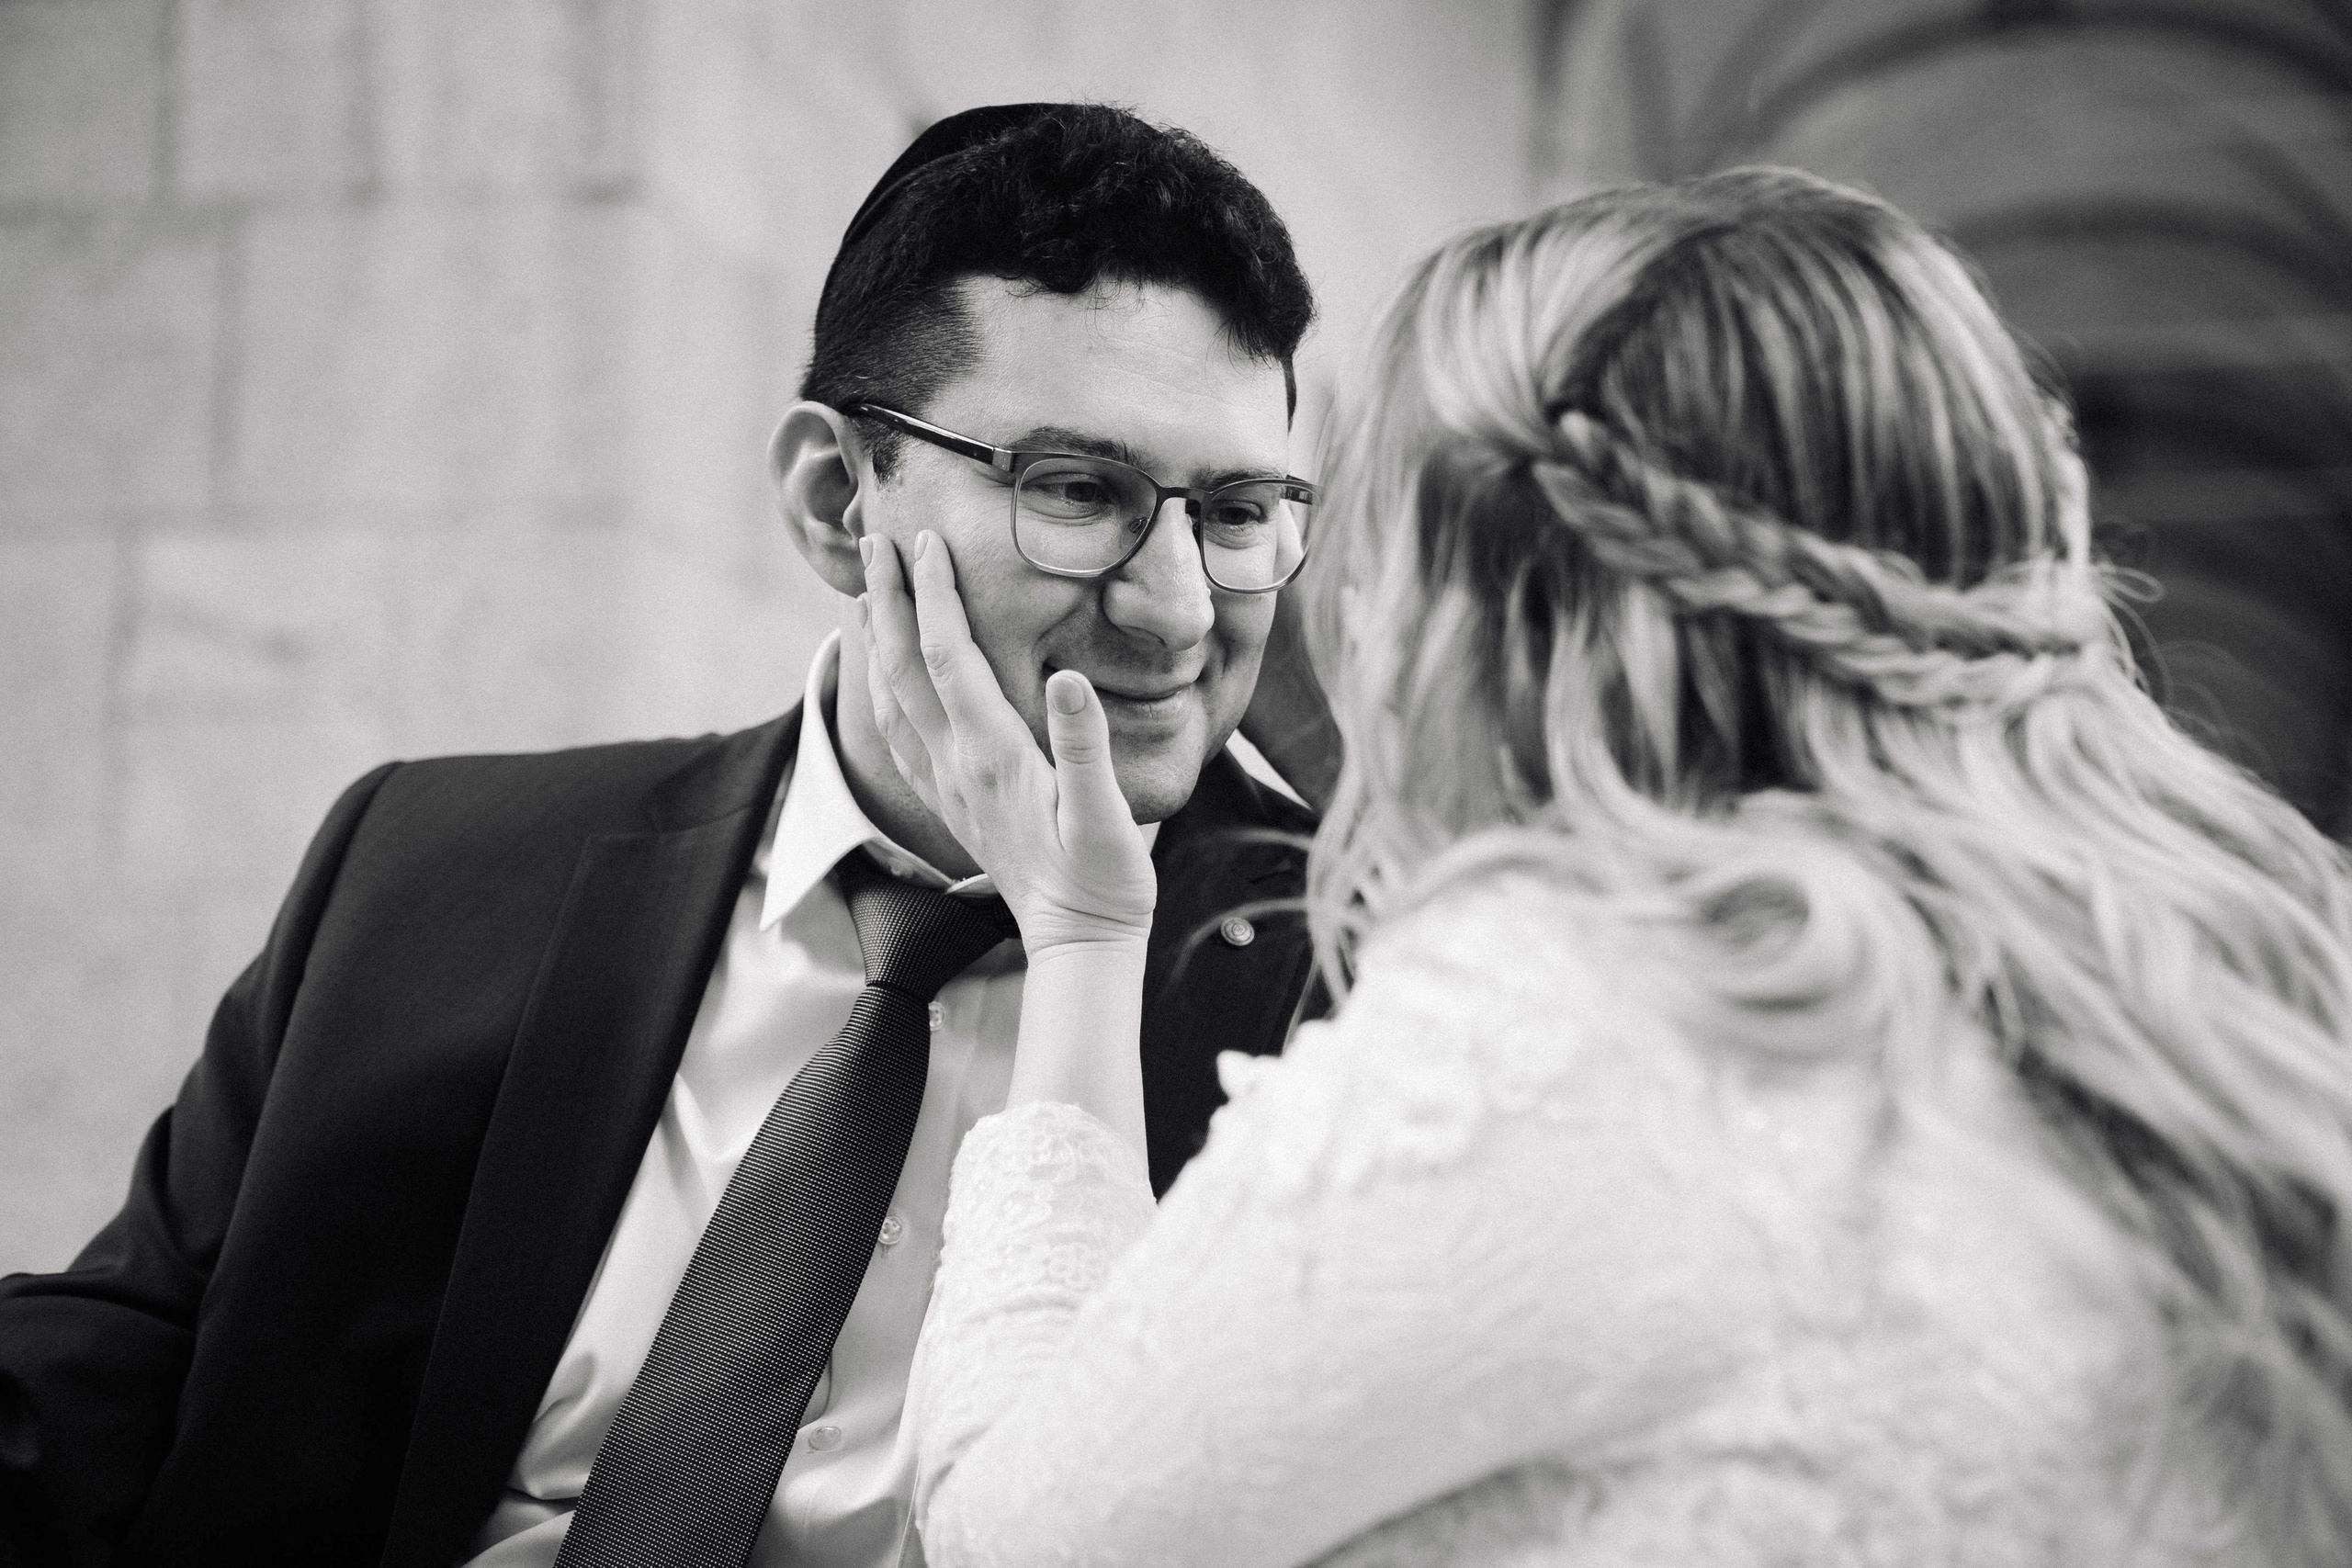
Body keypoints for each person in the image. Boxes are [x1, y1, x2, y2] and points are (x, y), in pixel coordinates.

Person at [857, 168, 2352, 1565]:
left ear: (1486, 606)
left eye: (1268, 520)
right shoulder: (2198, 983)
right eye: (1078, 491)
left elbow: (1021, 1539)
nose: (1191, 609)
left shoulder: (1581, 1019)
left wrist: (1079, 934)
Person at [0, 104, 1328, 1568]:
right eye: (1081, 493)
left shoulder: (1359, 995)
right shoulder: (429, 865)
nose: (1182, 608)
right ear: (837, 503)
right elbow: (106, 1385)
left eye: (1238, 510)